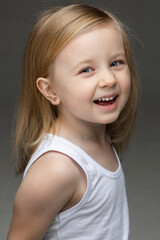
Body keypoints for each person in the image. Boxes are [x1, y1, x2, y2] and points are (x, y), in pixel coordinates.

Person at [7, 3, 139, 240]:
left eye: (116, 63)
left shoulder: (101, 139)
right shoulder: (57, 169)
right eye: (87, 69)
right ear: (50, 90)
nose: (108, 79)